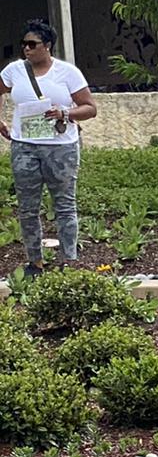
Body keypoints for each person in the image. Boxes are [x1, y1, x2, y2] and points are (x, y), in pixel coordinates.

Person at [4, 20, 96, 278]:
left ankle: (69, 261)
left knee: (65, 205)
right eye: (23, 44)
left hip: (60, 149)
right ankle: (35, 263)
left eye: (32, 44)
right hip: (25, 148)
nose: (27, 49)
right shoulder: (15, 71)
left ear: (47, 46)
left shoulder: (67, 73)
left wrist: (65, 113)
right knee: (27, 207)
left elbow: (90, 108)